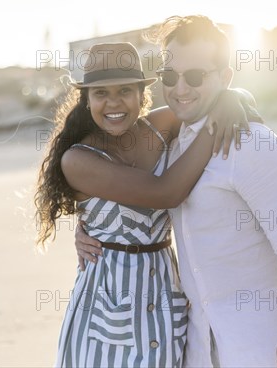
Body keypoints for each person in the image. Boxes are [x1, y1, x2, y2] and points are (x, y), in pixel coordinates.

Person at [75, 16, 277, 368]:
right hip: (196, 346)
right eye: (170, 76)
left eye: (195, 77)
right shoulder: (174, 148)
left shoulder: (253, 145)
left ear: (225, 78)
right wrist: (85, 224)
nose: (180, 88)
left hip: (261, 344)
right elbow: (128, 192)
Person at [34, 42, 262, 368]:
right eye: (101, 93)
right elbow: (166, 193)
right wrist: (214, 128)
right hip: (106, 303)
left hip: (165, 292)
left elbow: (213, 98)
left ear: (143, 94)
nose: (114, 103)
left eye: (125, 90)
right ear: (86, 100)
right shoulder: (78, 159)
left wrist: (232, 98)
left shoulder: (163, 126)